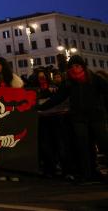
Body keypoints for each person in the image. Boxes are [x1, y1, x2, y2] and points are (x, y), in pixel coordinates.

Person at [38, 55, 108, 183]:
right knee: (83, 146)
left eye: (78, 66)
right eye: (73, 66)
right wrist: (41, 107)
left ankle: (95, 171)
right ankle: (88, 174)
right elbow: (58, 98)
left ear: (83, 66)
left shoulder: (95, 79)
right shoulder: (68, 82)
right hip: (79, 118)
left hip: (96, 117)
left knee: (103, 144)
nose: (75, 69)